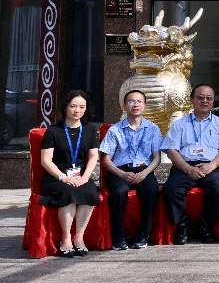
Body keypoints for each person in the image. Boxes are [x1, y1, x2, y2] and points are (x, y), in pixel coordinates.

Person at [161, 85, 219, 245]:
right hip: (184, 166)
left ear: (213, 101)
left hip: (212, 167)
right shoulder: (179, 124)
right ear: (192, 100)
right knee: (171, 190)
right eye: (200, 97)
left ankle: (205, 224)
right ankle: (183, 224)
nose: (204, 101)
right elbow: (171, 150)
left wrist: (211, 166)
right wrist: (188, 169)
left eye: (209, 98)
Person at [38, 91, 101, 257]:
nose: (77, 110)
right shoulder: (53, 131)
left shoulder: (90, 130)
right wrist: (63, 177)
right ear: (65, 107)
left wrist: (86, 177)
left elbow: (93, 156)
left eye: (82, 107)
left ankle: (79, 238)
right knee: (69, 192)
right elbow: (46, 160)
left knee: (89, 191)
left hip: (80, 176)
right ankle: (66, 239)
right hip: (56, 177)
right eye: (73, 106)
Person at [100, 90, 162, 250]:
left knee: (152, 190)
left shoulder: (153, 128)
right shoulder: (115, 130)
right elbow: (106, 160)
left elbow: (157, 158)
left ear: (145, 106)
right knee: (119, 192)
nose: (136, 104)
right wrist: (122, 174)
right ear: (124, 106)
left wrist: (144, 173)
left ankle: (143, 234)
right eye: (131, 101)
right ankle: (118, 235)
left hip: (144, 170)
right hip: (120, 171)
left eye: (140, 101)